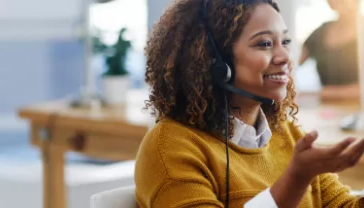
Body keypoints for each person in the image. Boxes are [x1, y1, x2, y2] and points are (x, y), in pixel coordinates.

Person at [135, 0, 364, 207]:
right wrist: (296, 178)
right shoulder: (169, 147)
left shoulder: (287, 135)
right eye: (264, 43)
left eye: (285, 41)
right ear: (215, 61)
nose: (284, 56)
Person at [299, 0, 361, 101]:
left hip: (358, 111)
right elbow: (291, 62)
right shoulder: (320, 32)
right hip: (326, 111)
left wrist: (317, 93)